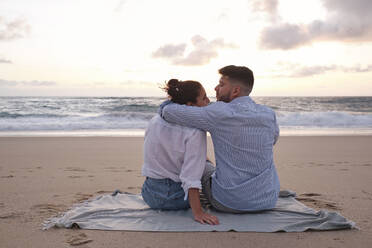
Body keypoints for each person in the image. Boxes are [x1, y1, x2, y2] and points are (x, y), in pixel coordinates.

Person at [160, 65, 280, 213]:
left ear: (235, 91)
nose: (216, 88)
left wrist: (172, 98)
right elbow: (272, 140)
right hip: (267, 200)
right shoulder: (268, 114)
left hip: (228, 202)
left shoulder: (218, 113)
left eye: (222, 84)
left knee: (203, 165)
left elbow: (168, 112)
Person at [141, 79, 219, 225]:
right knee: (206, 166)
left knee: (195, 161)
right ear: (190, 105)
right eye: (204, 97)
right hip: (176, 200)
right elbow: (191, 178)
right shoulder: (195, 131)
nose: (208, 101)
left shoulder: (156, 120)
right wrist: (198, 212)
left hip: (149, 195)